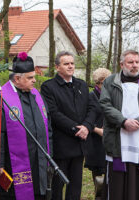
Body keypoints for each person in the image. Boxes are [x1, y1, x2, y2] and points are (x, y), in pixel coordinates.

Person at [99, 50, 139, 200]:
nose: (134, 65)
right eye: (130, 62)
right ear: (121, 64)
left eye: (137, 62)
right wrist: (123, 121)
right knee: (117, 186)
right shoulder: (110, 82)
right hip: (117, 138)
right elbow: (105, 104)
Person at [0, 52, 53, 200]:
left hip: (39, 161)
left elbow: (48, 129)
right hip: (13, 164)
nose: (34, 81)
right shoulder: (2, 98)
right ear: (17, 78)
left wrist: (49, 156)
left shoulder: (37, 96)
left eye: (34, 77)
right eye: (30, 77)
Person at [41, 51, 96, 200]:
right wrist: (75, 129)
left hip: (80, 144)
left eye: (72, 63)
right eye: (66, 64)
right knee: (57, 187)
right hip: (61, 146)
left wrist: (87, 127)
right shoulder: (48, 87)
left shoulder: (82, 85)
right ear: (57, 67)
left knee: (75, 187)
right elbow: (53, 113)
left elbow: (92, 108)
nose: (70, 66)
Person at [84, 68, 111, 200]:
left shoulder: (112, 96)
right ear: (99, 83)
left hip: (110, 140)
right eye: (106, 82)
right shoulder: (90, 97)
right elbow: (84, 117)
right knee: (98, 176)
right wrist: (96, 130)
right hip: (95, 142)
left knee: (110, 173)